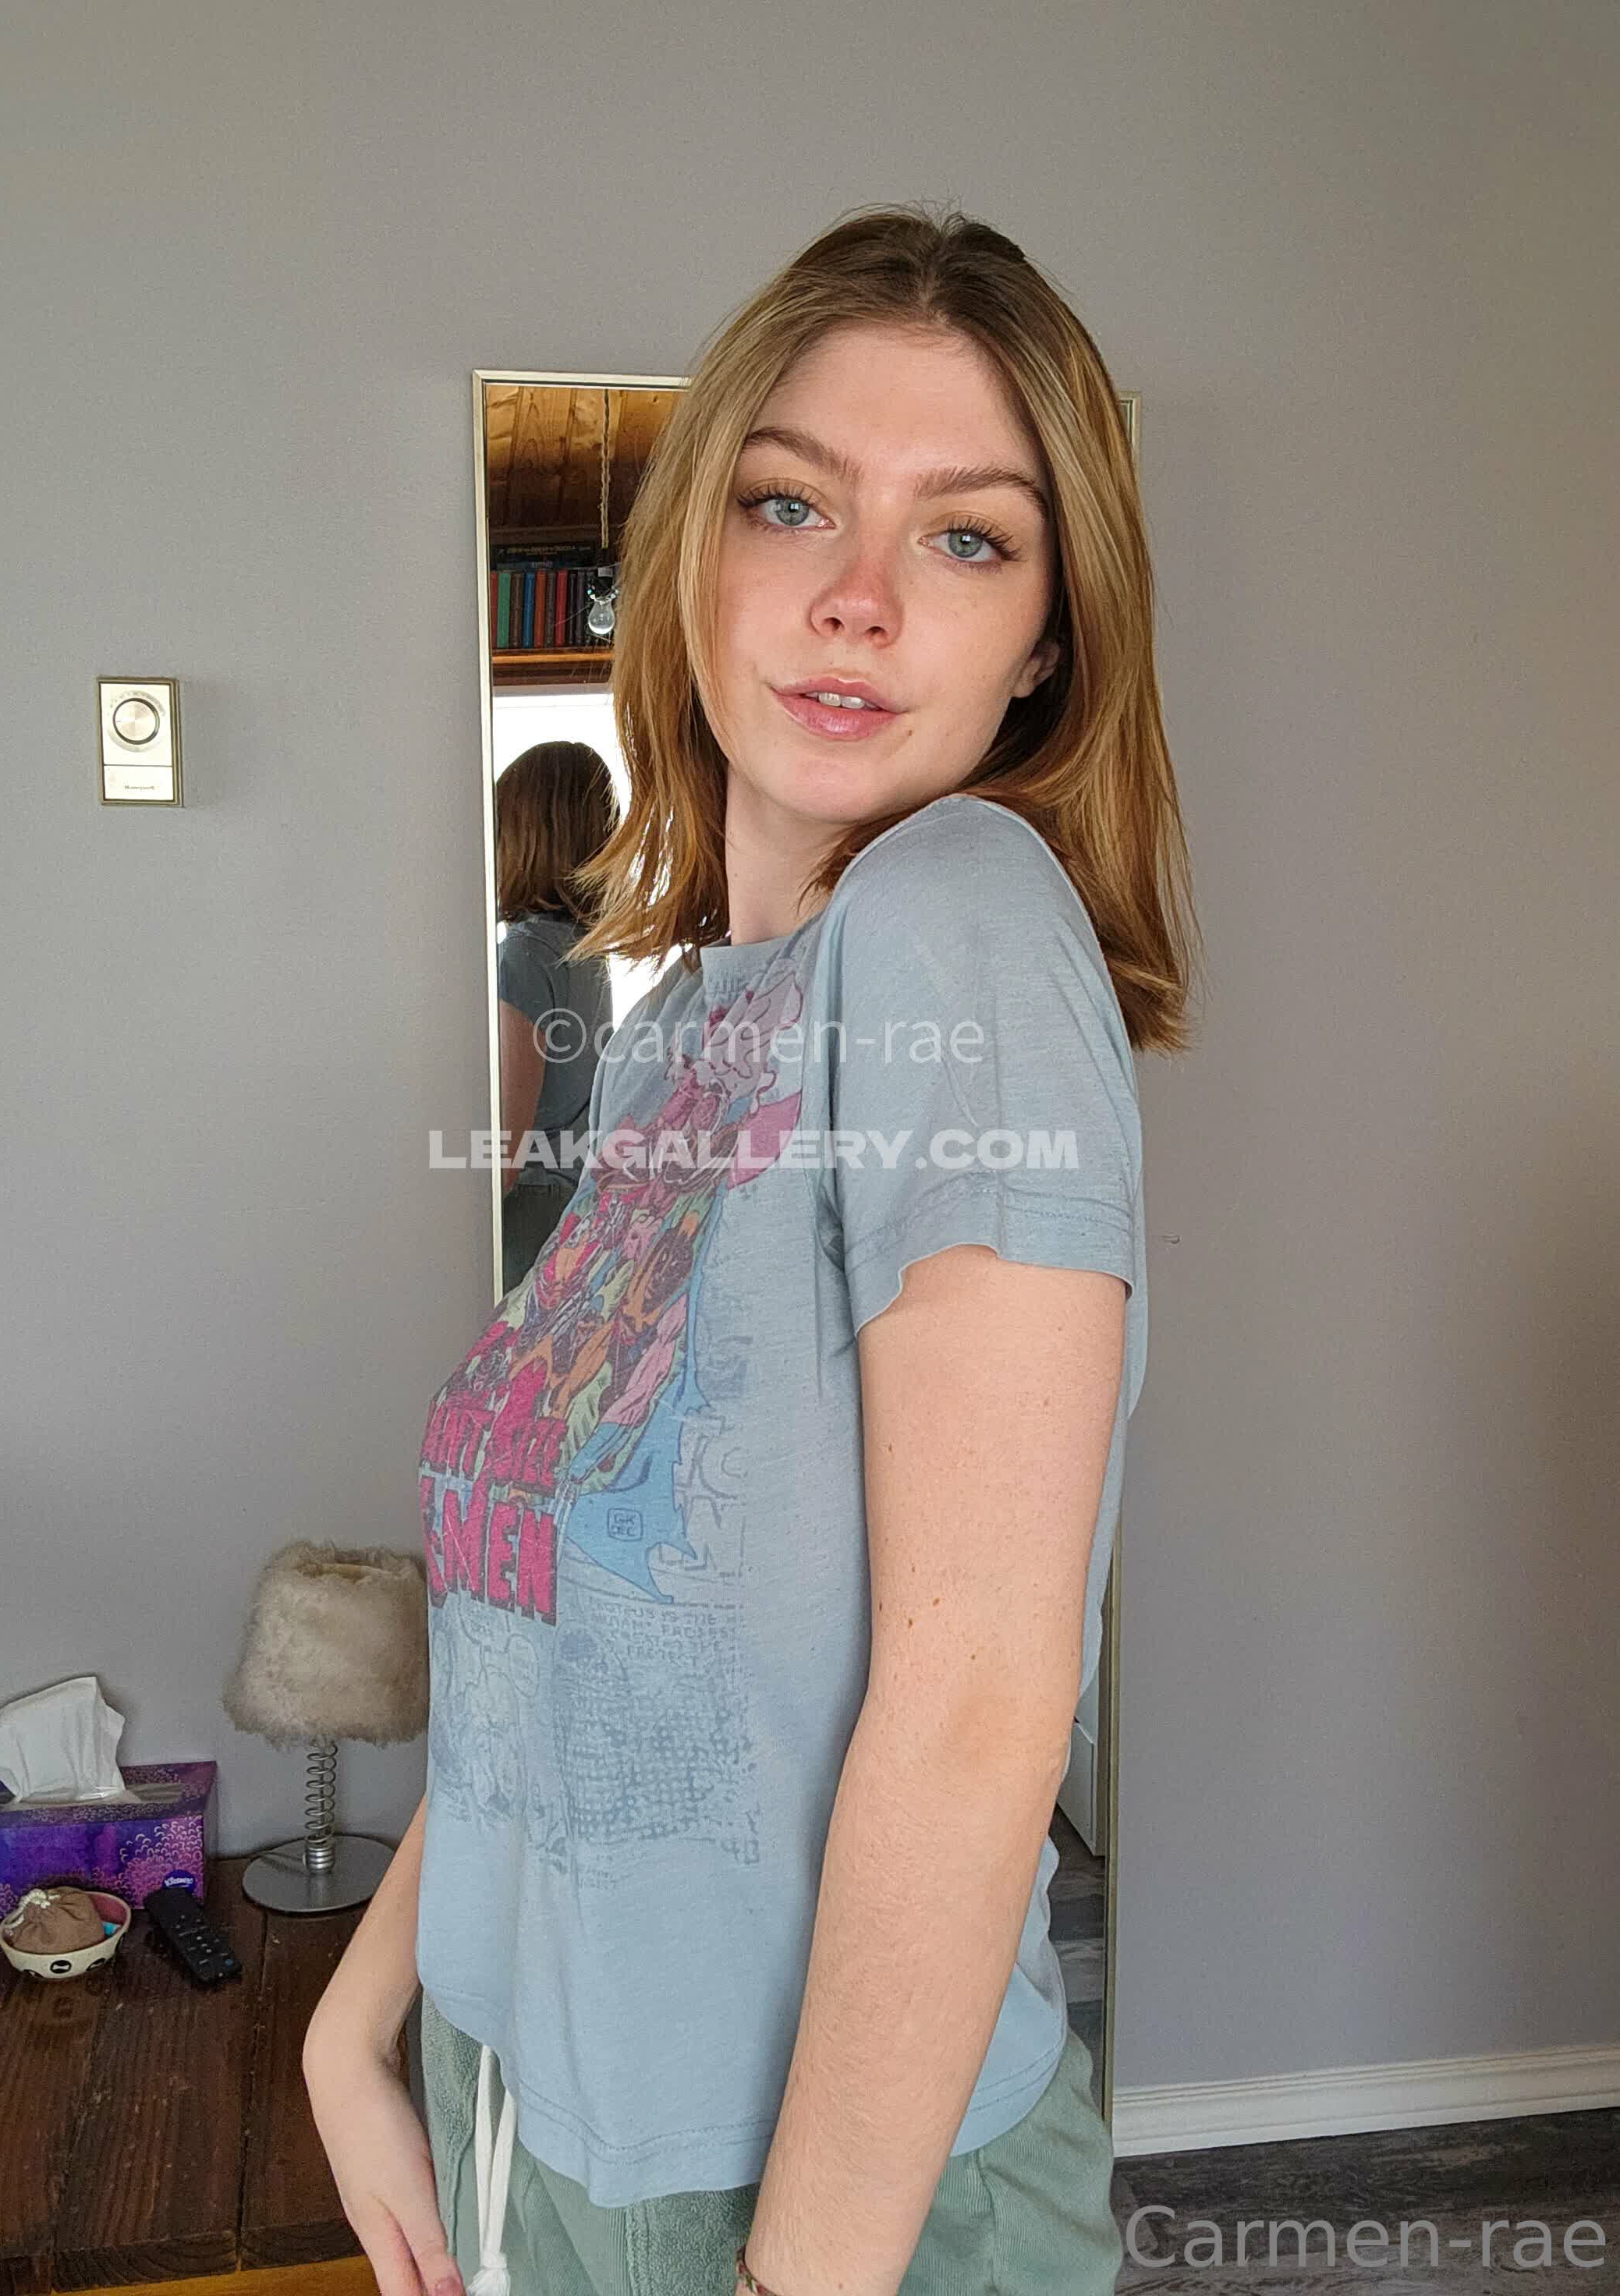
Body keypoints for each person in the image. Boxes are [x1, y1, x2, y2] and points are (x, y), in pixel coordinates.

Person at [304, 201, 1200, 2296]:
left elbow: (980, 1702)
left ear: (1047, 638)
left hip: (816, 2201)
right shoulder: (685, 1024)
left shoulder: (958, 910)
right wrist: (361, 2020)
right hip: (537, 2111)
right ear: (693, 552)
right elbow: (546, 1625)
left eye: (966, 535)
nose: (859, 594)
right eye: (791, 503)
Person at [491, 741, 616, 1295]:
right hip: (571, 1210)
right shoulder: (585, 954)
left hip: (526, 1217)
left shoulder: (524, 956)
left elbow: (505, 1152)